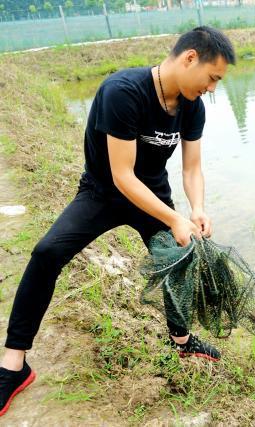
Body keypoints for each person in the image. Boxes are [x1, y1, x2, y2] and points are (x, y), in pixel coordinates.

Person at [0, 26, 236, 417]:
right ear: (190, 58)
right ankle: (13, 365)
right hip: (104, 192)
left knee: (177, 258)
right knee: (46, 253)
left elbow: (192, 168)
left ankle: (181, 339)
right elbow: (123, 176)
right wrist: (173, 217)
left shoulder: (193, 106)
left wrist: (195, 209)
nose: (212, 88)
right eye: (213, 78)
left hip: (153, 195)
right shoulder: (123, 91)